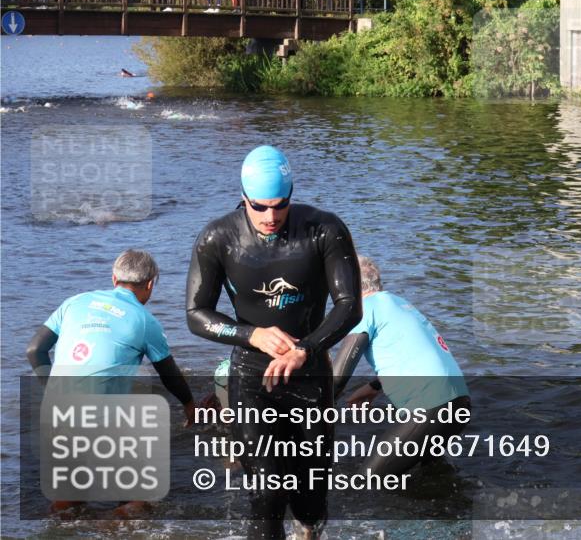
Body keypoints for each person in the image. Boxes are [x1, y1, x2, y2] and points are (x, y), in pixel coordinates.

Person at [186, 145, 362, 540]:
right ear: (244, 197)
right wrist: (252, 334)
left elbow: (350, 307)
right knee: (265, 494)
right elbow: (196, 315)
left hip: (310, 375)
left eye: (280, 205)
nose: (271, 216)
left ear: (291, 195)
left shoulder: (324, 230)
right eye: (260, 206)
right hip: (252, 376)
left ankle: (308, 530)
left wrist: (307, 348)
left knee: (309, 498)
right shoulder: (218, 237)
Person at [26, 250, 196, 513]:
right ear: (150, 284)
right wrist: (190, 406)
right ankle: (114, 526)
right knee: (139, 498)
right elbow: (169, 374)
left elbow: (34, 350)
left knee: (71, 497)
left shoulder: (75, 302)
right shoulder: (144, 320)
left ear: (114, 278)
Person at [332, 256, 471, 476]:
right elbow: (414, 353)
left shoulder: (363, 310)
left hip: (430, 407)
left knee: (369, 480)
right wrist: (374, 387)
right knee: (433, 474)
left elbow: (337, 377)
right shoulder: (398, 303)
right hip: (459, 402)